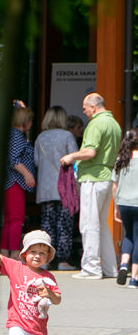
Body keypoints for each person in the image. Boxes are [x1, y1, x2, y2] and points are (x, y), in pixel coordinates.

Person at [61, 93, 122, 279]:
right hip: (107, 177)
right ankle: (110, 268)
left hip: (93, 177)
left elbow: (90, 151)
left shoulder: (96, 123)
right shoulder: (114, 124)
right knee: (101, 224)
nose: (84, 111)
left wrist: (71, 156)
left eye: (85, 107)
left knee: (89, 224)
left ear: (93, 107)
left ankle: (91, 268)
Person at [0, 230, 61, 335]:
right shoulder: (15, 268)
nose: (37, 256)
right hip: (17, 321)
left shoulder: (49, 277)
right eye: (32, 252)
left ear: (47, 256)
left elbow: (57, 300)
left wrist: (50, 294)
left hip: (38, 328)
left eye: (42, 253)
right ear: (24, 253)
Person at [34, 106, 78, 270]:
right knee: (64, 224)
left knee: (47, 225)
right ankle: (63, 261)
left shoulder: (40, 137)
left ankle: (44, 260)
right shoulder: (67, 136)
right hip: (64, 188)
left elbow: (37, 162)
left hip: (45, 188)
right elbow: (74, 159)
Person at [1, 105, 36, 260]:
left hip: (11, 182)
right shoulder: (16, 135)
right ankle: (14, 253)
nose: (31, 123)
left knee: (10, 219)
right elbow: (13, 159)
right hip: (15, 182)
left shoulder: (12, 134)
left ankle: (5, 252)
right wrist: (27, 174)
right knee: (16, 218)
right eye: (30, 120)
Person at [113, 129, 138, 287]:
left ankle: (123, 264)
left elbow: (114, 186)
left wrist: (116, 207)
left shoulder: (120, 160)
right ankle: (134, 277)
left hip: (123, 203)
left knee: (128, 235)